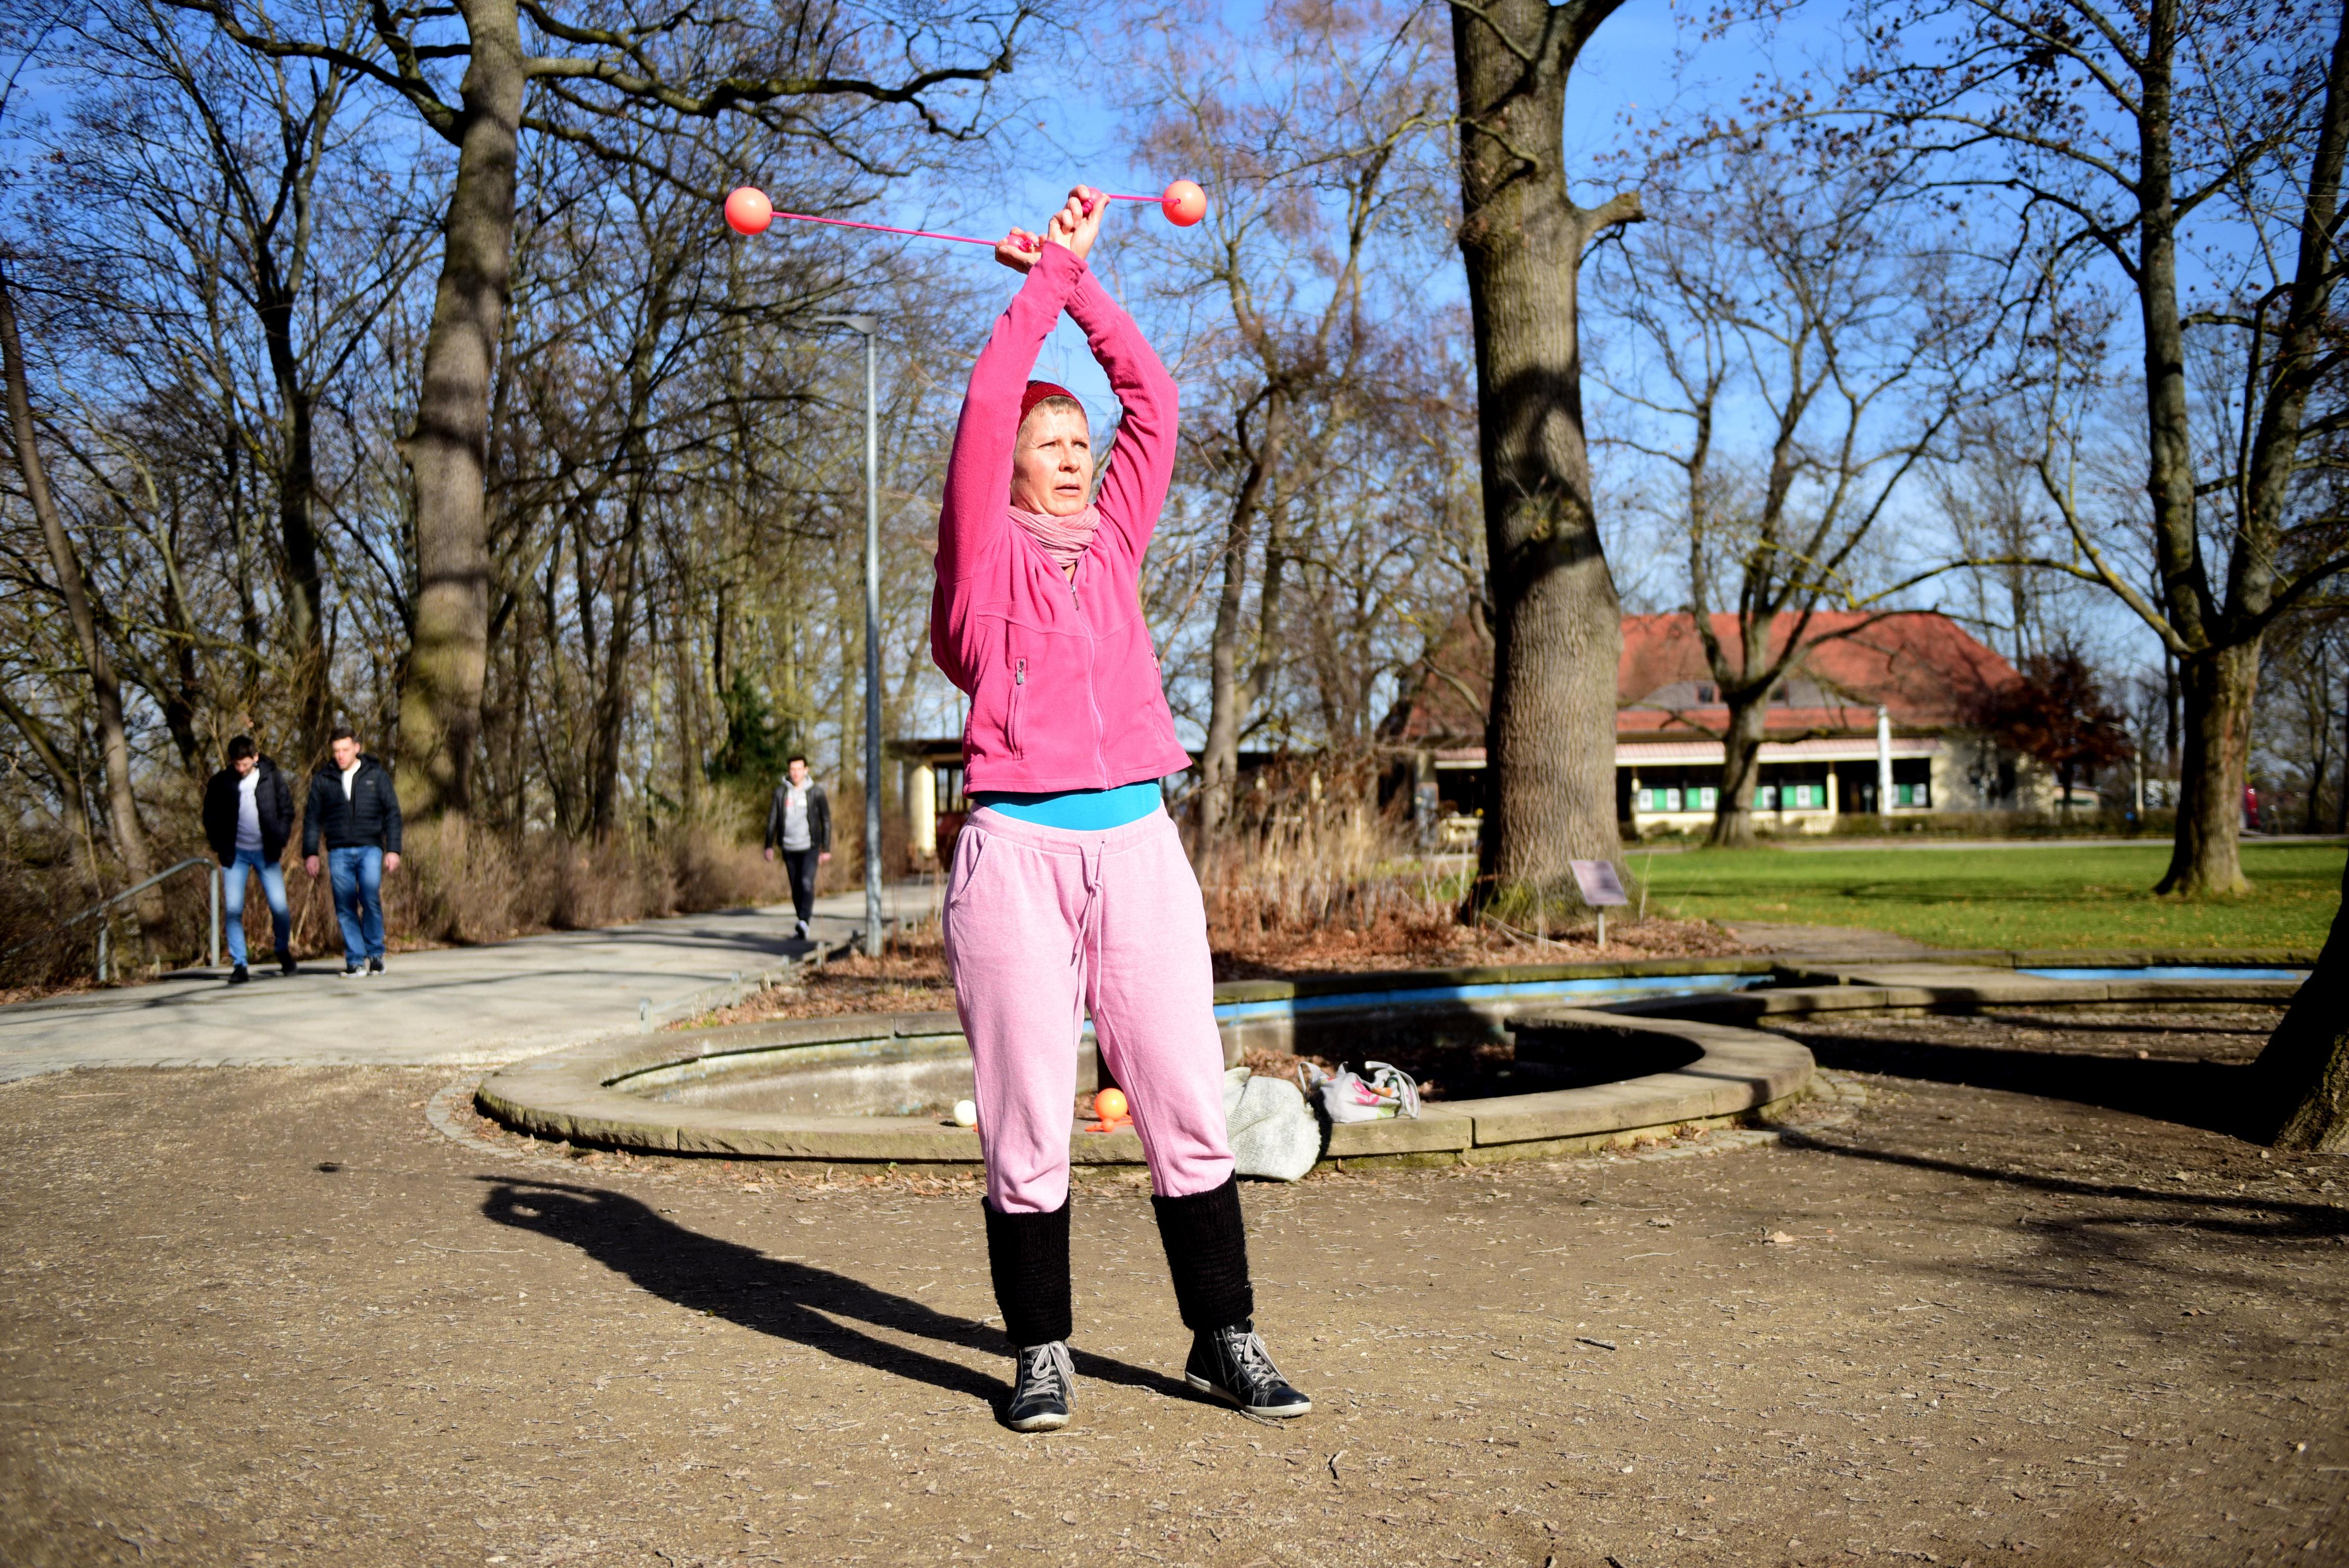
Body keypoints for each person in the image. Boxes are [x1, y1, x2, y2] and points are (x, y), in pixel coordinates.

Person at [930, 186, 1310, 1433]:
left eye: (1078, 438)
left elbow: (1157, 397)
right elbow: (992, 401)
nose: (1072, 445)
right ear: (1011, 472)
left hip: (1137, 843)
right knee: (1029, 1117)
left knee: (1184, 1099)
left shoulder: (1117, 542)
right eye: (1051, 440)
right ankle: (1042, 1352)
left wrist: (1081, 280)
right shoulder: (980, 565)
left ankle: (1224, 1337)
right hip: (1016, 852)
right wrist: (1036, 290)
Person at [302, 726, 402, 977]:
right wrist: (310, 853)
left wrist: (394, 850)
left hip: (370, 847)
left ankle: (376, 955)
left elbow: (392, 813)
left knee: (369, 898)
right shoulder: (323, 780)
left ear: (357, 748)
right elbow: (312, 818)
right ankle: (355, 960)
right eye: (336, 751)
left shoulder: (376, 776)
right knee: (345, 905)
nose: (340, 755)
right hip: (338, 851)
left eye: (345, 750)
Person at [201, 735, 295, 983]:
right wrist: (219, 846)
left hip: (267, 852)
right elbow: (210, 817)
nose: (241, 769)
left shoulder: (271, 777)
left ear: (255, 757)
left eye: (244, 764)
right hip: (236, 855)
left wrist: (280, 838)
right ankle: (240, 964)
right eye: (236, 764)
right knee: (233, 910)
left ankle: (283, 950)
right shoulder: (221, 783)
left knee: (280, 908)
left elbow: (287, 809)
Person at [763, 754, 831, 941]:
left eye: (799, 769)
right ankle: (802, 921)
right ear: (789, 771)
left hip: (810, 846)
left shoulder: (816, 792)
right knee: (795, 888)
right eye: (792, 770)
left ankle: (803, 921)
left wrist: (826, 848)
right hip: (789, 847)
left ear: (806, 770)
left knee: (806, 883)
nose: (795, 773)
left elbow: (826, 820)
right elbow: (773, 820)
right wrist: (768, 845)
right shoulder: (781, 793)